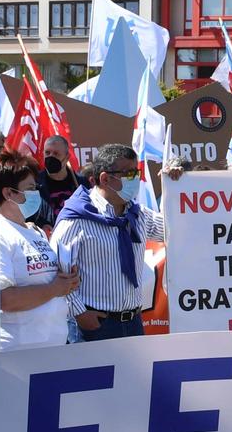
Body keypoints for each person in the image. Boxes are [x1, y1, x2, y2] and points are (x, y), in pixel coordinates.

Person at [54, 145, 163, 342]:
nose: (136, 179)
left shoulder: (138, 214)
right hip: (94, 326)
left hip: (133, 322)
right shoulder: (76, 219)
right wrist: (80, 314)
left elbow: (174, 229)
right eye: (129, 173)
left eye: (136, 172)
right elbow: (58, 272)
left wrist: (176, 185)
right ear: (105, 178)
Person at [0, 152, 81, 350]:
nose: (36, 194)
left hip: (51, 348)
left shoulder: (34, 231)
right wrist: (55, 288)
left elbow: (49, 280)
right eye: (30, 188)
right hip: (19, 352)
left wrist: (68, 281)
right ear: (8, 193)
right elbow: (4, 299)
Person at [35, 134, 78, 216]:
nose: (51, 157)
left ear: (67, 157)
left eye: (56, 153)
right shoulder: (35, 184)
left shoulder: (80, 183)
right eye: (47, 153)